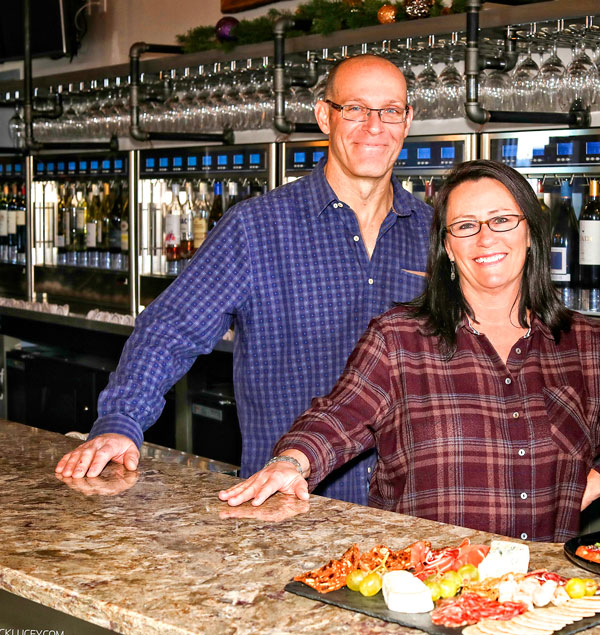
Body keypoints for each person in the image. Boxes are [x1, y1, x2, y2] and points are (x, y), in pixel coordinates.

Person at [55, 54, 432, 506]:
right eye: (354, 108)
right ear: (323, 116)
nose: (374, 126)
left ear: (407, 120)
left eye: (390, 110)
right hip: (289, 504)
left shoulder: (435, 233)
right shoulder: (257, 228)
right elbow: (170, 329)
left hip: (410, 512)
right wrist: (121, 422)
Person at [219, 160, 600, 542]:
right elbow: (338, 415)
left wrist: (581, 490)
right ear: (448, 247)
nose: (485, 239)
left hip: (546, 592)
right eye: (466, 226)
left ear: (530, 232)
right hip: (427, 587)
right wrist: (290, 462)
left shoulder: (585, 343)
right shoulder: (399, 338)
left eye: (502, 220)